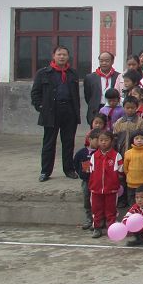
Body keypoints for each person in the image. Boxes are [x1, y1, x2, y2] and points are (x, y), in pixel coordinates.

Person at [31, 45, 81, 182]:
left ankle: (69, 169)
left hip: (69, 111)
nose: (62, 57)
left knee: (68, 142)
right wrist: (41, 107)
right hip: (51, 112)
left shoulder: (72, 73)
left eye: (64, 54)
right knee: (49, 143)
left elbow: (76, 95)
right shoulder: (43, 73)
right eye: (59, 54)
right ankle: (45, 171)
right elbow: (35, 93)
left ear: (68, 57)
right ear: (53, 56)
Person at [83, 130, 123, 238]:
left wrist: (114, 182)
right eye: (101, 140)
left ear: (111, 141)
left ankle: (111, 228)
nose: (103, 142)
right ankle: (97, 228)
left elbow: (121, 171)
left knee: (111, 210)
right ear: (98, 141)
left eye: (106, 140)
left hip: (111, 189)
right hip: (95, 189)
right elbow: (89, 171)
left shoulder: (116, 156)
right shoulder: (94, 156)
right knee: (96, 210)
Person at [84, 52, 120, 125]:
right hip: (96, 109)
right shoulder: (90, 77)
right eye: (101, 61)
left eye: (107, 61)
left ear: (112, 61)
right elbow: (88, 96)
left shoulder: (118, 76)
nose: (104, 63)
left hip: (113, 108)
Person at [122, 130, 143, 205]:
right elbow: (125, 168)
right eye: (136, 138)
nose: (139, 140)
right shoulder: (128, 153)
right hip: (131, 184)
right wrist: (130, 176)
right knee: (132, 203)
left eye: (142, 138)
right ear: (132, 140)